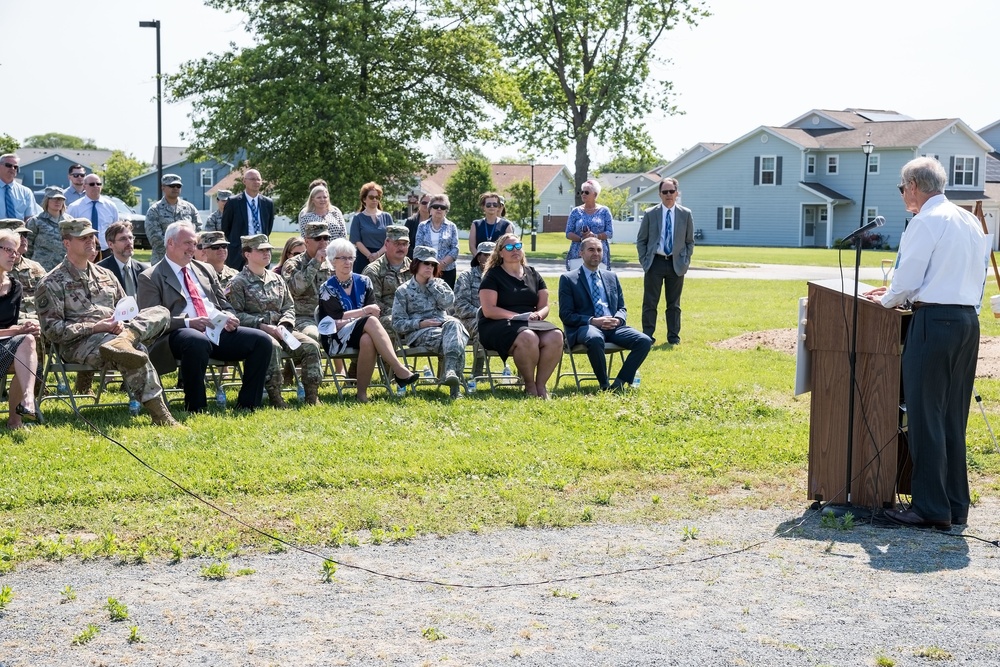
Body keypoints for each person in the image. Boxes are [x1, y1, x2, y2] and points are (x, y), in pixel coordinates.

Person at [865, 157, 989, 530]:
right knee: (952, 416)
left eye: (902, 187)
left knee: (924, 415)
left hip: (934, 322)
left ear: (915, 185)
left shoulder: (925, 221)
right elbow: (973, 275)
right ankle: (955, 504)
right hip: (967, 321)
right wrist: (902, 293)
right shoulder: (969, 219)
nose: (903, 194)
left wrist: (887, 299)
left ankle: (930, 508)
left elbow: (908, 277)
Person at [35, 219, 180, 426]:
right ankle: (161, 416)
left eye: (91, 236)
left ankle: (126, 339)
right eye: (82, 238)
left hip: (117, 334)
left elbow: (128, 310)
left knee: (160, 311)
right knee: (133, 352)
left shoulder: (106, 275)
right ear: (67, 243)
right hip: (78, 344)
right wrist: (96, 327)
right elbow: (52, 331)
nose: (90, 241)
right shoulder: (51, 282)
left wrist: (122, 324)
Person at [137, 221, 273, 413]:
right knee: (196, 341)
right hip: (177, 334)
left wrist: (228, 316)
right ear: (170, 243)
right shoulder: (151, 277)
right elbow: (150, 320)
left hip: (215, 329)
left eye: (194, 244)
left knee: (261, 341)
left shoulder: (205, 269)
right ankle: (196, 406)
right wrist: (188, 322)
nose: (192, 248)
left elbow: (224, 303)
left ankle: (248, 404)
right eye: (187, 243)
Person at [317, 237, 419, 403]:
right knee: (369, 323)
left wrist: (360, 316)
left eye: (350, 257)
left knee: (367, 339)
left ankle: (361, 394)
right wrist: (363, 312)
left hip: (360, 332)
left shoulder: (364, 281)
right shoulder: (327, 287)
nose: (347, 262)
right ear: (332, 261)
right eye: (342, 258)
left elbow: (375, 312)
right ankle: (399, 369)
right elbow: (336, 319)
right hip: (335, 336)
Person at [228, 234, 324, 407]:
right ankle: (275, 396)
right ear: (247, 254)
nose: (267, 253)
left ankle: (312, 396)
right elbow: (236, 314)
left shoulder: (277, 279)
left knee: (311, 346)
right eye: (261, 250)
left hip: (282, 329)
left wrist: (284, 324)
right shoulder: (238, 282)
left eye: (268, 250)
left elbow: (289, 306)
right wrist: (262, 325)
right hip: (258, 333)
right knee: (271, 346)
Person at [558, 237, 651, 391]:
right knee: (594, 338)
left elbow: (622, 308)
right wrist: (594, 321)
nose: (596, 253)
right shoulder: (569, 279)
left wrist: (618, 320)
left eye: (599, 250)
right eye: (591, 250)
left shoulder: (611, 277)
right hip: (585, 327)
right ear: (581, 253)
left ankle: (620, 382)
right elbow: (566, 314)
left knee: (644, 341)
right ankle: (604, 384)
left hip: (614, 327)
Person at [478, 234, 563, 399]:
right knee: (528, 337)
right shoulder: (493, 276)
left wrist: (539, 314)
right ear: (500, 253)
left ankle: (541, 386)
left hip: (530, 321)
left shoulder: (533, 273)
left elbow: (544, 305)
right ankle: (529, 386)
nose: (514, 250)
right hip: (498, 323)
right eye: (509, 248)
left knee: (556, 335)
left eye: (518, 246)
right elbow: (489, 310)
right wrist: (517, 316)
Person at [392, 246, 469, 398]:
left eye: (433, 264)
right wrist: (421, 323)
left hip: (445, 328)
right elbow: (397, 323)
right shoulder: (404, 290)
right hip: (419, 332)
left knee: (454, 325)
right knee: (456, 339)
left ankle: (450, 372)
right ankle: (455, 390)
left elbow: (449, 303)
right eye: (426, 263)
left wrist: (432, 285)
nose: (430, 267)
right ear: (416, 264)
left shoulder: (439, 285)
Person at [636, 177, 694, 345]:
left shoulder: (685, 214)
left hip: (676, 264)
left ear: (677, 193)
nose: (668, 195)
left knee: (674, 304)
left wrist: (685, 260)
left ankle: (673, 338)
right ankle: (647, 336)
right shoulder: (650, 213)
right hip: (655, 262)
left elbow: (689, 241)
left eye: (671, 191)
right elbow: (641, 240)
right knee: (650, 302)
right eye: (665, 192)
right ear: (659, 194)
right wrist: (644, 260)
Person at [0, 229, 40, 429]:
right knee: (23, 343)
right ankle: (22, 409)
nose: (13, 255)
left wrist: (25, 327)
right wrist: (15, 332)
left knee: (29, 339)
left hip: (4, 344)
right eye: (7, 249)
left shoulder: (15, 287)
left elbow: (9, 326)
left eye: (15, 251)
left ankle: (26, 401)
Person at [283, 221, 332, 342]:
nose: (323, 242)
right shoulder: (293, 263)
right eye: (318, 238)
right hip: (302, 317)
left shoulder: (332, 263)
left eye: (326, 238)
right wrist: (315, 263)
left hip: (329, 315)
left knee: (356, 332)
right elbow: (295, 290)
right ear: (307, 241)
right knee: (311, 336)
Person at [452, 241, 493, 378]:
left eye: (493, 255)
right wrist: (483, 313)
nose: (489, 258)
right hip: (469, 320)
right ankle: (477, 373)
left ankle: (521, 376)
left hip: (496, 319)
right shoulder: (466, 276)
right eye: (486, 255)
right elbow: (459, 306)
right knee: (482, 327)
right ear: (478, 257)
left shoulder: (500, 277)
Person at [362, 224, 411, 334]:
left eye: (404, 244)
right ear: (386, 244)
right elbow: (373, 304)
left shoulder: (415, 268)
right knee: (394, 322)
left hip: (412, 315)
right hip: (384, 317)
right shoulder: (373, 271)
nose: (401, 247)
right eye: (397, 243)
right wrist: (401, 314)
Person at [221, 169, 274, 269]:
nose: (256, 182)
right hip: (239, 251)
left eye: (258, 179)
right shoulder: (233, 202)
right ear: (244, 181)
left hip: (261, 248)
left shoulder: (268, 203)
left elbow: (268, 227)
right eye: (253, 179)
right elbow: (226, 228)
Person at [145, 174, 203, 265]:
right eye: (172, 186)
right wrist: (177, 250)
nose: (175, 188)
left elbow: (198, 232)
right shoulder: (154, 210)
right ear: (163, 187)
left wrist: (188, 249)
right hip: (163, 261)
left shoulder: (190, 208)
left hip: (188, 260)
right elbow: (155, 238)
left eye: (178, 186)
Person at [0, 219, 46, 325]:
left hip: (37, 319)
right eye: (18, 234)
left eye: (25, 235)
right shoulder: (3, 271)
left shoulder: (36, 267)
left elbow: (48, 299)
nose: (23, 239)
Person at [66, 173, 120, 258]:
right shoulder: (74, 207)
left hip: (106, 251)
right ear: (84, 186)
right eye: (92, 184)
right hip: (83, 251)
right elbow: (68, 232)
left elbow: (116, 231)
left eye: (98, 184)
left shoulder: (111, 206)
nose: (96, 186)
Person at [565, 178, 613, 271]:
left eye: (586, 192)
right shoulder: (575, 211)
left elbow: (610, 233)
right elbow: (568, 233)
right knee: (577, 282)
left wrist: (595, 236)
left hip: (598, 253)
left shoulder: (604, 211)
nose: (583, 194)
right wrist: (582, 239)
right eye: (582, 192)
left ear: (595, 194)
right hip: (578, 253)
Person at [414, 194, 460, 288]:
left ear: (446, 211)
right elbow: (418, 247)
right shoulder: (422, 226)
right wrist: (431, 265)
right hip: (426, 269)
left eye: (442, 207)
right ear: (430, 210)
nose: (439, 209)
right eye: (435, 207)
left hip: (447, 270)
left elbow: (455, 249)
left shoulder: (452, 226)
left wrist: (441, 264)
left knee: (445, 299)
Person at [349, 181, 392, 274]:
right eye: (371, 197)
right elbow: (356, 241)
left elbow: (391, 239)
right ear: (364, 199)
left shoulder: (387, 217)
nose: (375, 200)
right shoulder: (358, 218)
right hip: (363, 259)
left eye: (377, 197)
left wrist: (377, 254)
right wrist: (369, 255)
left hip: (384, 257)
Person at [98, 221, 148, 297]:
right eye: (123, 239)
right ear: (110, 244)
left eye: (131, 238)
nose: (129, 242)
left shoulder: (144, 270)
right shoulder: (100, 271)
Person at [26, 186, 71, 270]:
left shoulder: (69, 221)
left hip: (64, 267)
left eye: (60, 199)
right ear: (47, 200)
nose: (57, 202)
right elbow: (28, 245)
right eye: (54, 199)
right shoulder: (36, 221)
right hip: (41, 267)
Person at [1, 154, 42, 222]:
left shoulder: (26, 192)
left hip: (19, 230)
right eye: (8, 165)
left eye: (16, 167)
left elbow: (30, 218)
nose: (13, 168)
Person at [403, 195, 429, 259]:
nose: (427, 205)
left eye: (429, 203)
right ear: (419, 203)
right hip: (413, 259)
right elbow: (404, 241)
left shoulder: (435, 222)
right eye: (424, 203)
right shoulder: (410, 221)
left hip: (431, 259)